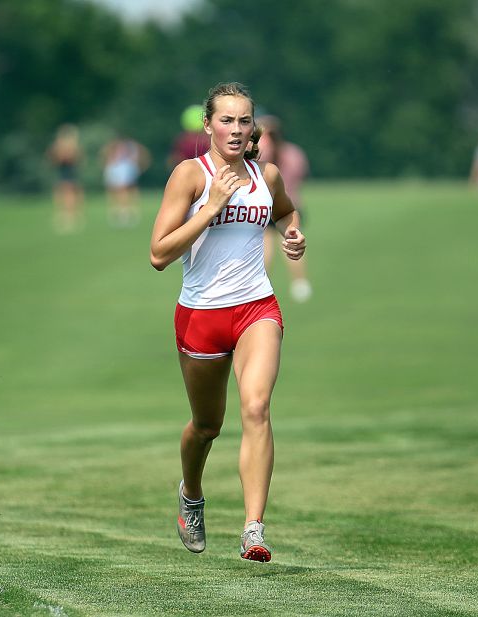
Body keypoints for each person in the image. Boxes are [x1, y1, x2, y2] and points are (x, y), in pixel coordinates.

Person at [149, 82, 306, 562]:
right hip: (200, 315)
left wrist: (293, 235)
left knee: (256, 408)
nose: (236, 130)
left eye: (244, 122)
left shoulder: (268, 175)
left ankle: (253, 529)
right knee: (207, 425)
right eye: (226, 121)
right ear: (208, 125)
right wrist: (212, 206)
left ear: (252, 127)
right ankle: (191, 493)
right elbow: (158, 253)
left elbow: (285, 212)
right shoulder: (190, 176)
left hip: (256, 306)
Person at [257, 115, 312, 302]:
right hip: (293, 204)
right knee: (293, 245)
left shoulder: (262, 152)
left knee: (266, 246)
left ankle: (262, 281)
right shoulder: (294, 153)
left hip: (268, 204)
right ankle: (300, 283)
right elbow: (301, 176)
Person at [101, 133, 151, 227]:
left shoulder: (130, 146)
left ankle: (125, 212)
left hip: (125, 170)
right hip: (117, 170)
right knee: (117, 191)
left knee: (125, 191)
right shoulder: (115, 147)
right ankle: (120, 212)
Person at [47, 124, 84, 233]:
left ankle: (71, 216)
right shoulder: (60, 146)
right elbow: (53, 158)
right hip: (62, 173)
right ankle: (65, 214)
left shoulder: (72, 147)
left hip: (69, 173)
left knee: (70, 194)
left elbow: (73, 159)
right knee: (60, 193)